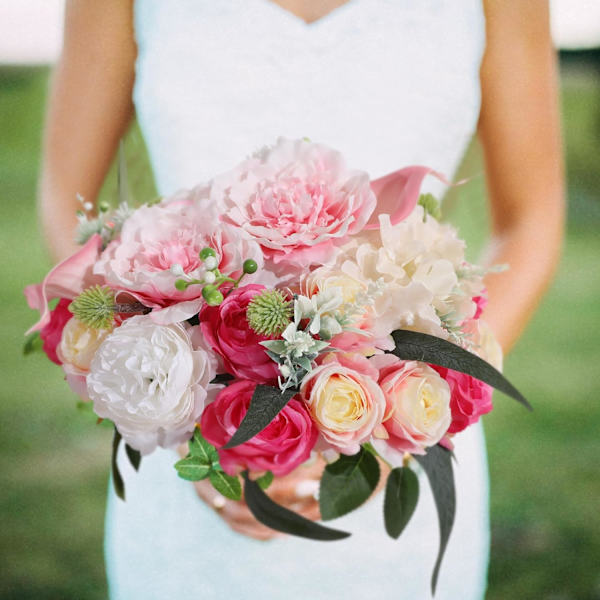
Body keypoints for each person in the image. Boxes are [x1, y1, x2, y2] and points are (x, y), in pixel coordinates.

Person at [39, 0, 564, 597]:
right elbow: (67, 201)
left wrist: (396, 412)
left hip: (405, 457)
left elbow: (531, 218)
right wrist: (187, 409)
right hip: (184, 446)